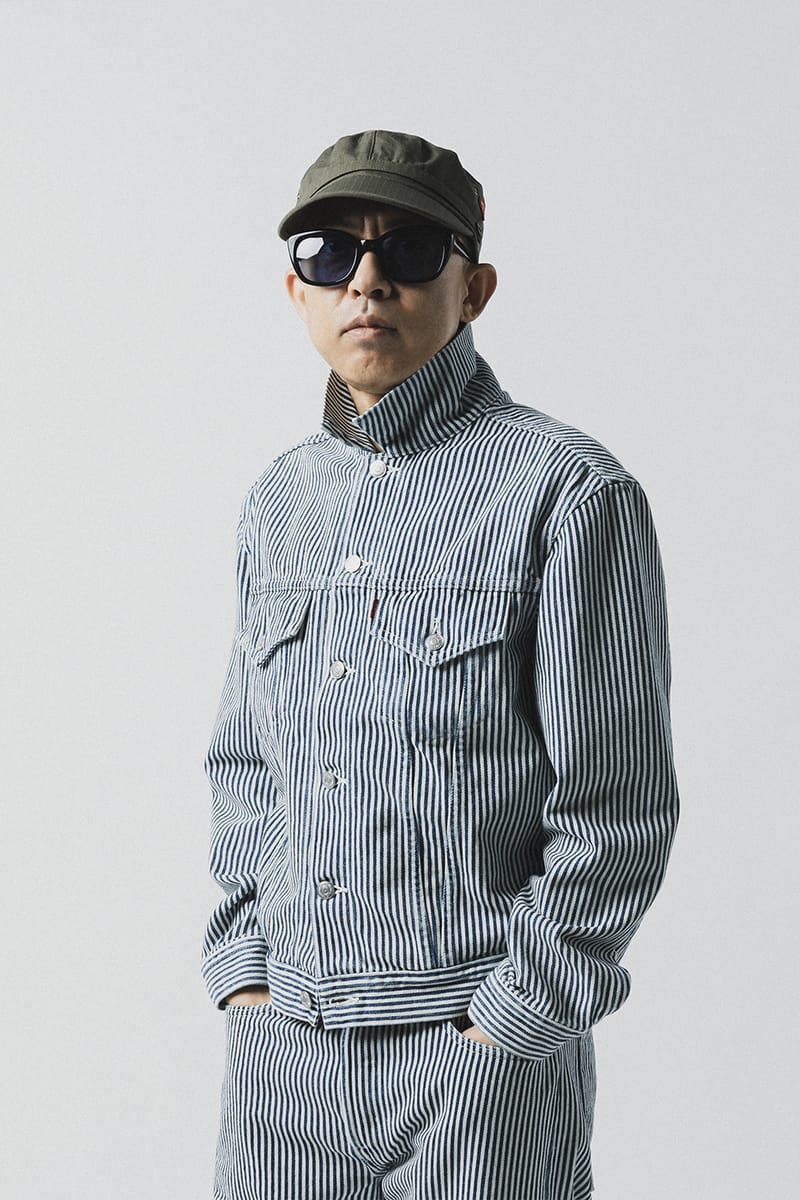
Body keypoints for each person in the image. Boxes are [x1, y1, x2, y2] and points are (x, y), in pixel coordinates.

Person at [202, 129, 679, 1200]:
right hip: (282, 1060)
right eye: (331, 252)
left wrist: (506, 1030)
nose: (367, 280)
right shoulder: (278, 501)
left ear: (475, 288)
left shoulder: (568, 493)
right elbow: (244, 765)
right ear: (295, 289)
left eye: (411, 250)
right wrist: (244, 980)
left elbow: (618, 807)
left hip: (474, 1059)